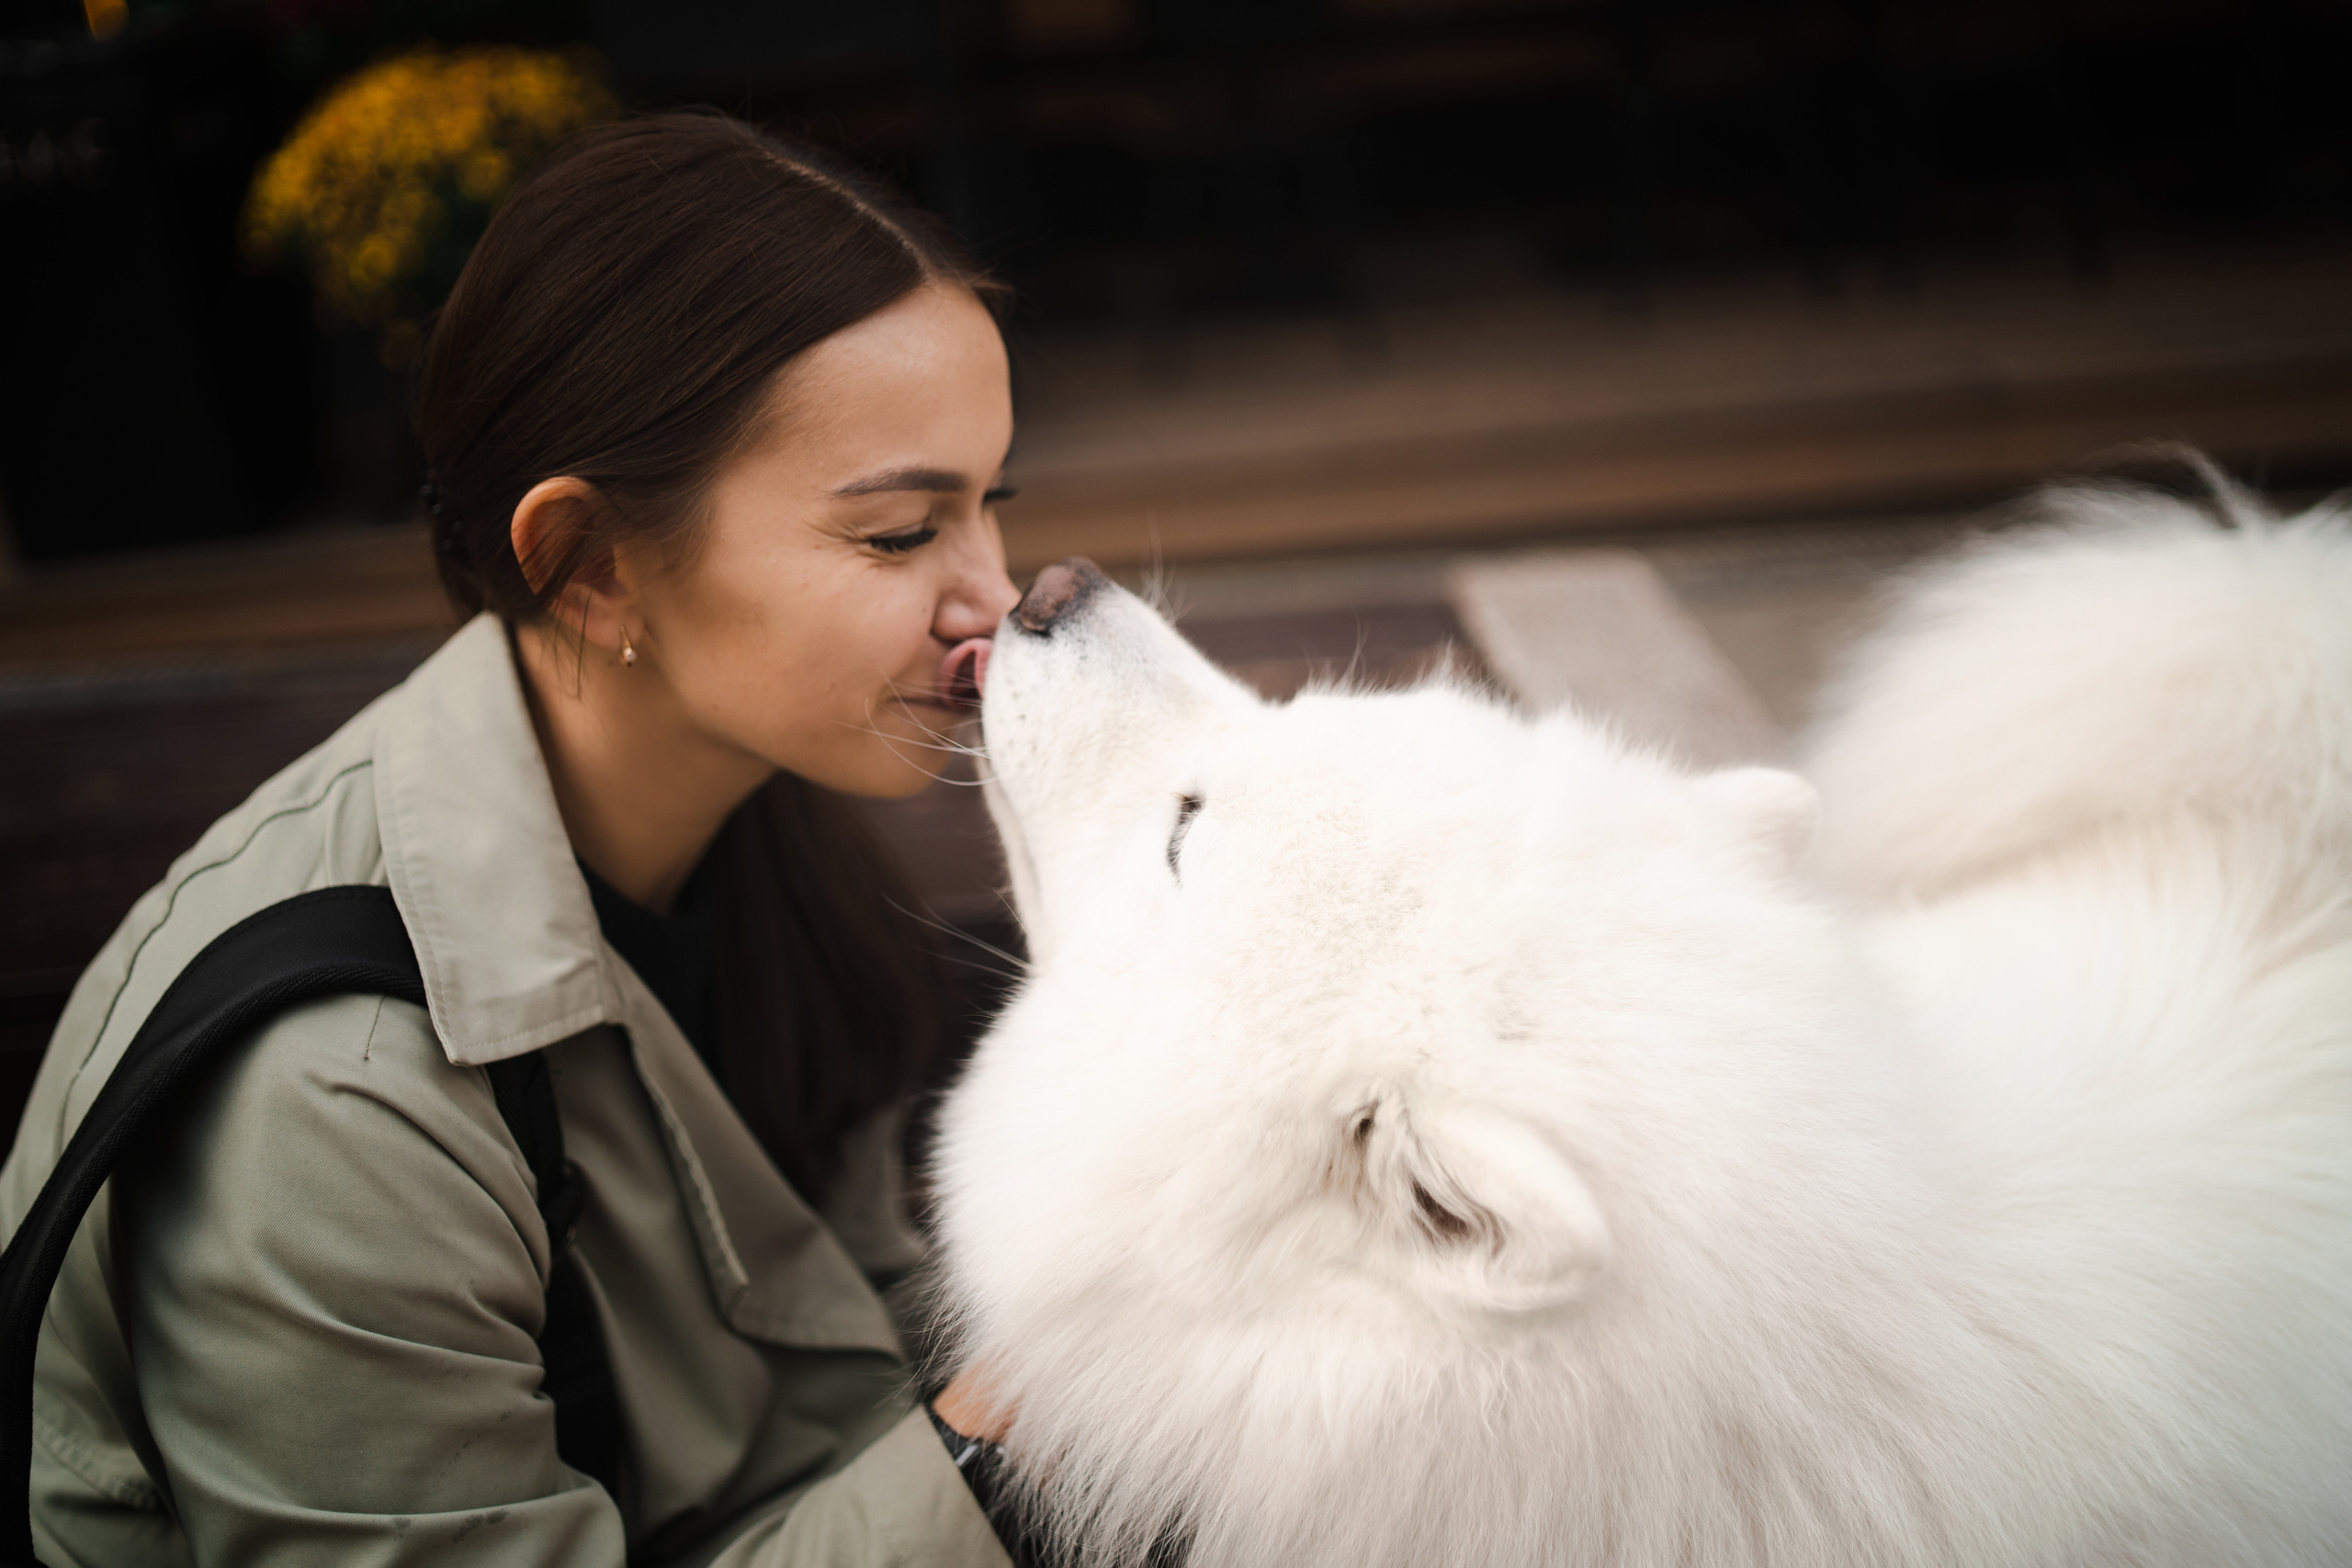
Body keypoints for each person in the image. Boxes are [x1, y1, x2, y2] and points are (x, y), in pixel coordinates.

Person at [0, 111, 1023, 1565]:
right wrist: (1013, 1438)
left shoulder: (760, 801)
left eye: (993, 504)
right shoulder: (331, 1101)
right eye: (900, 534)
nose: (995, 596)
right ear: (590, 567)